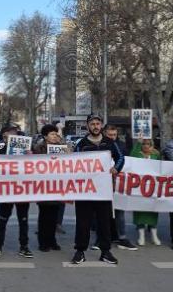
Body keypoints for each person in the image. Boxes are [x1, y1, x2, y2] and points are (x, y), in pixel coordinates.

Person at [70, 114, 123, 266]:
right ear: (88, 126)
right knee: (83, 222)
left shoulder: (109, 143)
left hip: (103, 190)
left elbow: (120, 158)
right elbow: (72, 163)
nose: (95, 126)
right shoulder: (81, 144)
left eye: (97, 123)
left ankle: (105, 251)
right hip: (85, 190)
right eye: (92, 123)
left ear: (101, 126)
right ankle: (80, 251)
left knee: (104, 222)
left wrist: (116, 168)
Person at [0, 124, 33, 259]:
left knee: (23, 220)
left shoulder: (26, 149)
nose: (9, 137)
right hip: (7, 190)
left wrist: (31, 156)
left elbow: (36, 166)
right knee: (2, 219)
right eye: (6, 135)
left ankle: (24, 246)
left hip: (22, 189)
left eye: (12, 134)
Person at [104, 124, 137, 250]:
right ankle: (102, 238)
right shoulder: (101, 145)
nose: (112, 137)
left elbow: (129, 161)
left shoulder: (121, 146)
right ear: (105, 133)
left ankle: (122, 237)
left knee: (119, 211)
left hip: (119, 184)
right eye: (110, 135)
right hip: (104, 183)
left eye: (114, 135)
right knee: (103, 212)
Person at [34, 124, 65, 252]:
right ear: (45, 136)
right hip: (43, 186)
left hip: (57, 186)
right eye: (52, 134)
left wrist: (63, 145)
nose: (55, 136)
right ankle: (43, 242)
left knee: (54, 215)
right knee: (44, 215)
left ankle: (52, 240)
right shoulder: (39, 148)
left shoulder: (61, 147)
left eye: (56, 134)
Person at [130, 137, 161, 246]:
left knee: (153, 211)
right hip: (139, 188)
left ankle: (154, 235)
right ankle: (141, 235)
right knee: (139, 211)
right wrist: (138, 143)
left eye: (148, 144)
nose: (146, 146)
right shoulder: (137, 154)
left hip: (152, 188)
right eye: (144, 144)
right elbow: (131, 157)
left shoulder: (156, 155)